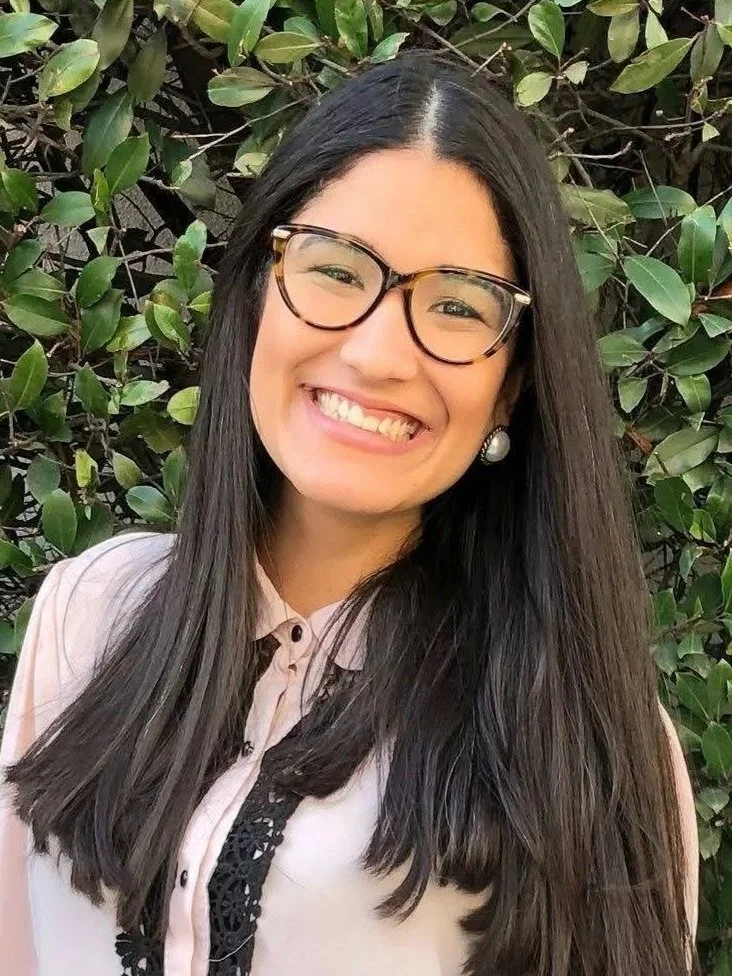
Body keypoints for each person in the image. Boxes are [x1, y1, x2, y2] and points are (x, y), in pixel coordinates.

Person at [0, 48, 699, 976]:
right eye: (335, 270)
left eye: (456, 304)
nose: (376, 355)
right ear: (256, 295)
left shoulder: (581, 728)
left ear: (512, 384)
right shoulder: (88, 611)